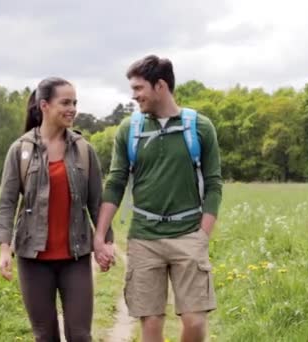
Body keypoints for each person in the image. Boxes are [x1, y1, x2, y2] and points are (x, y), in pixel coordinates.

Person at [94, 55, 223, 342]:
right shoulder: (130, 130)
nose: (134, 95)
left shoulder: (200, 127)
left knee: (195, 324)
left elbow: (214, 184)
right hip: (144, 238)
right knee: (150, 326)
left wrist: (203, 234)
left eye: (139, 88)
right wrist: (100, 235)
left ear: (160, 85)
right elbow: (115, 182)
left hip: (189, 234)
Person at [0, 77, 113, 342]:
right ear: (44, 105)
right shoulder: (20, 150)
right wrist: (4, 249)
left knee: (80, 335)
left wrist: (105, 242)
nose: (72, 109)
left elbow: (96, 201)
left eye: (75, 103)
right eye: (65, 102)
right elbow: (7, 203)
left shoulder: (84, 149)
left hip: (76, 256)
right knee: (45, 335)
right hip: (32, 258)